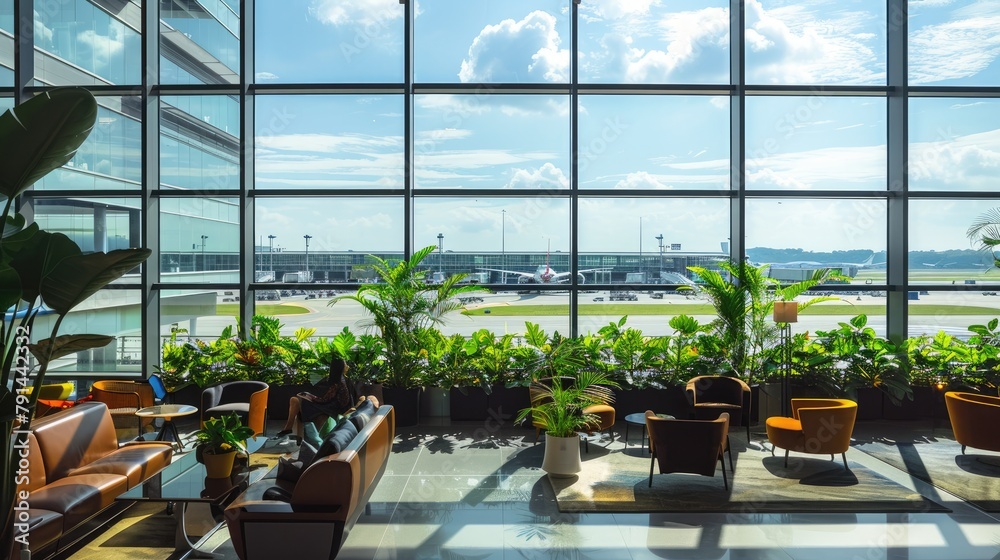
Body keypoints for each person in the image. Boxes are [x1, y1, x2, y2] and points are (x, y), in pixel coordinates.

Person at [275, 360, 353, 441]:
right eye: (345, 364)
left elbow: (325, 400)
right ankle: (289, 428)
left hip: (330, 408)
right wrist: (310, 396)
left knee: (300, 402)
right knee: (295, 400)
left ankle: (291, 429)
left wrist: (311, 397)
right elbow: (324, 396)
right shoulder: (338, 380)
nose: (347, 366)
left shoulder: (339, 383)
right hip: (327, 405)